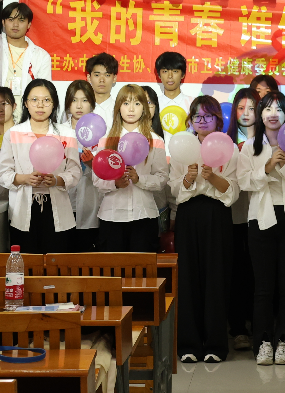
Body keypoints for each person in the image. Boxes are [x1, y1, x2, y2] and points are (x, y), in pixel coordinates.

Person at [240, 91, 285, 366]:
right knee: (263, 287)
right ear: (260, 114)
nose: (273, 114)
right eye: (268, 108)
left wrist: (284, 166)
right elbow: (244, 182)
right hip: (261, 220)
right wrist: (268, 167)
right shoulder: (250, 147)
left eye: (279, 109)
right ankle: (263, 342)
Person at [171, 96, 241, 364]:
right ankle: (188, 343)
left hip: (217, 214)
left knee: (216, 277)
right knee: (187, 277)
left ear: (218, 120)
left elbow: (233, 192)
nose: (202, 121)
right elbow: (174, 189)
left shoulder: (229, 148)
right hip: (188, 214)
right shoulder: (181, 145)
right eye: (197, 117)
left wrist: (212, 177)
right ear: (190, 121)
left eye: (208, 116)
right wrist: (188, 179)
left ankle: (215, 344)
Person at [0, 79, 82, 254]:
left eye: (46, 100)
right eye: (34, 100)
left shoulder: (67, 134)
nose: (40, 105)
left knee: (56, 262)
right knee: (26, 262)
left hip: (57, 209)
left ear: (54, 103)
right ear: (26, 103)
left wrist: (57, 180)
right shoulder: (13, 134)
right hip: (22, 210)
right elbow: (2, 173)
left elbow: (75, 171)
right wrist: (25, 179)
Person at [93, 85, 168, 252]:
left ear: (144, 108)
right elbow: (97, 179)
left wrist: (139, 179)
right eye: (126, 103)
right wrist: (115, 183)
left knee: (142, 267)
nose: (131, 109)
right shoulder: (106, 140)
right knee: (113, 267)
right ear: (118, 107)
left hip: (144, 216)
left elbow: (162, 178)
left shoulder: (155, 140)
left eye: (137, 103)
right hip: (111, 216)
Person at [225, 86, 259, 351]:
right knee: (237, 273)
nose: (246, 113)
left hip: (261, 214)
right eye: (240, 108)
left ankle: (260, 326)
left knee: (258, 273)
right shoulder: (224, 141)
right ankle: (237, 328)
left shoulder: (269, 140)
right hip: (234, 215)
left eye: (252, 108)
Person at [63, 80, 101, 251]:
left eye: (84, 100)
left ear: (92, 103)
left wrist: (92, 164)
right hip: (64, 203)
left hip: (90, 204)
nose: (79, 106)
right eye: (74, 100)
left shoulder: (101, 134)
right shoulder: (58, 132)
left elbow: (107, 175)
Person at [155, 51, 192, 147]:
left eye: (175, 71)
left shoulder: (193, 104)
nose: (170, 76)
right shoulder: (153, 104)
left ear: (183, 75)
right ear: (159, 75)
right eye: (165, 71)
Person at [86, 53, 119, 124]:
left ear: (114, 78)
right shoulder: (79, 108)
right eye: (97, 75)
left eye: (107, 75)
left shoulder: (120, 110)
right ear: (89, 78)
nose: (101, 80)